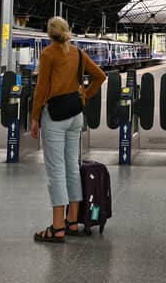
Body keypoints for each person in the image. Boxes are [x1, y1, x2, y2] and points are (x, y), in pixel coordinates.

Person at [30, 16, 106, 243]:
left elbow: (41, 89)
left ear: (49, 34)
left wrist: (35, 117)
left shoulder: (48, 54)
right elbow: (100, 76)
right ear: (67, 31)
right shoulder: (79, 54)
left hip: (55, 117)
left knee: (56, 171)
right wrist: (85, 96)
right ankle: (73, 221)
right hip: (76, 116)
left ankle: (58, 227)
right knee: (72, 167)